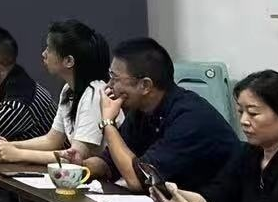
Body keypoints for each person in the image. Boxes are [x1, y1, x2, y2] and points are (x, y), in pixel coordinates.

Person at [153, 70, 278, 202]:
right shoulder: (249, 152)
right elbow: (214, 197)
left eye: (253, 113)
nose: (243, 121)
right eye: (241, 112)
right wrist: (174, 193)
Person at [90, 37, 240, 191]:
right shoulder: (142, 111)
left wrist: (108, 124)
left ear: (145, 85)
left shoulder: (190, 118)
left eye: (115, 78)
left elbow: (139, 180)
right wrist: (81, 167)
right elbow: (110, 162)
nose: (109, 85)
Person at [0, 20, 111, 168]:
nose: (44, 54)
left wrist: (18, 154)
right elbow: (52, 140)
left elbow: (76, 156)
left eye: (49, 49)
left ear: (69, 61)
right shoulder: (68, 90)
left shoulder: (95, 93)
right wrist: (10, 145)